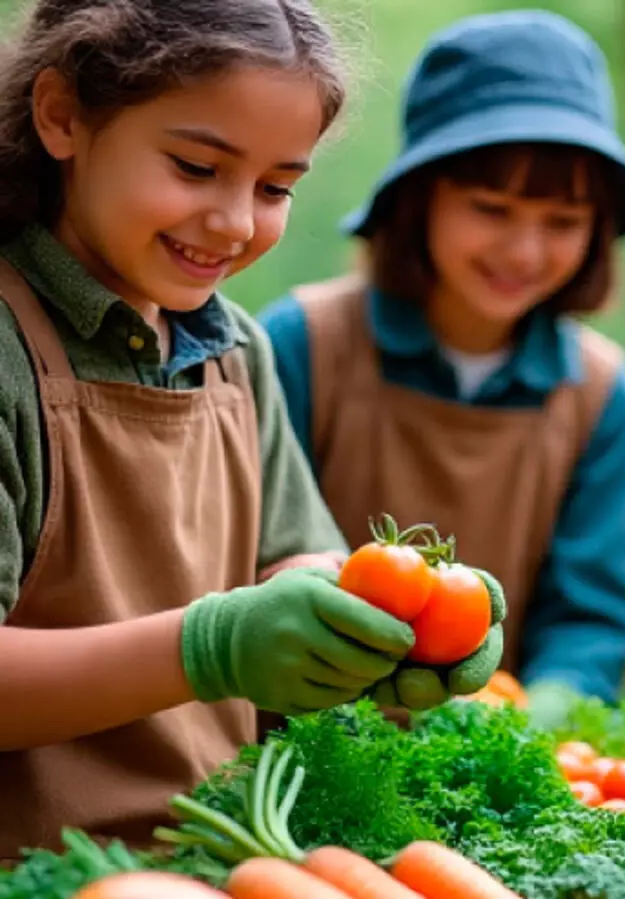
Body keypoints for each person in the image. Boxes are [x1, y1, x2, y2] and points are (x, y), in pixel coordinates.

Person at [0, 0, 466, 857]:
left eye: (276, 187)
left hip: (225, 852)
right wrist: (210, 646)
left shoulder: (237, 347)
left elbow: (292, 559)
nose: (236, 222)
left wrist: (390, 613)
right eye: (194, 166)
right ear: (62, 115)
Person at [260, 10, 625, 730]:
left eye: (562, 221)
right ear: (420, 202)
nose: (525, 250)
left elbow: (591, 613)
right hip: (305, 739)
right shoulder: (302, 343)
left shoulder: (598, 390)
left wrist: (541, 713)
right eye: (491, 208)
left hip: (503, 744)